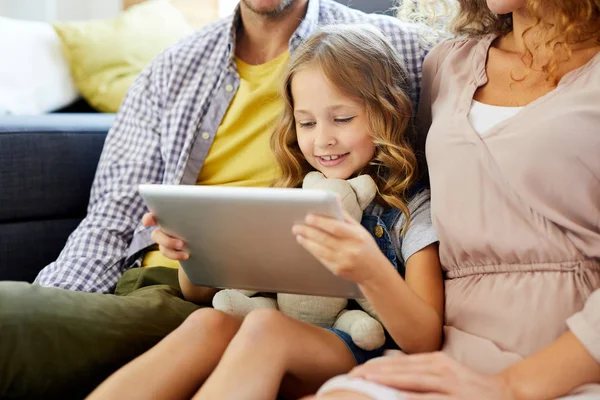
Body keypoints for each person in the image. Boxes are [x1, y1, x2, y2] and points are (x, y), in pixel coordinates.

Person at [0, 1, 434, 399]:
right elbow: (182, 273)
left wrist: (369, 267)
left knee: (260, 326)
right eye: (305, 123)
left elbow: (424, 332)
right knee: (210, 320)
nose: (322, 139)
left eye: (341, 119)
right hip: (209, 299)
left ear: (389, 112)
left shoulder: (410, 204)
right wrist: (193, 249)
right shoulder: (292, 193)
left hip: (352, 337)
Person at [307, 0, 600, 399]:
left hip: (569, 362)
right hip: (450, 351)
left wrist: (510, 386)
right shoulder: (448, 64)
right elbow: (402, 180)